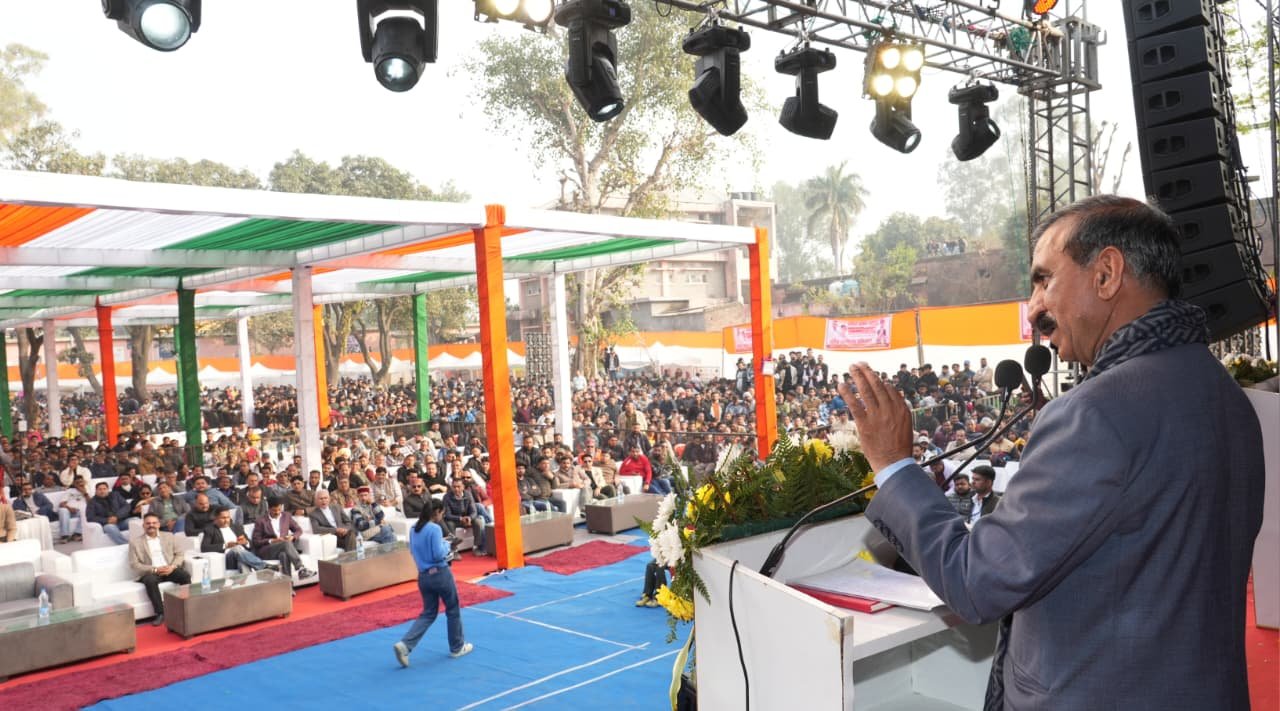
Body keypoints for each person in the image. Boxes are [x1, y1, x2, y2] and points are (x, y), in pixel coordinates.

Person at [839, 195, 1264, 709]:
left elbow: (977, 582)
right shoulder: (1225, 394)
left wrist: (894, 465)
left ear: (1106, 274)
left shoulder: (1096, 413)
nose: (1034, 307)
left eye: (1044, 280)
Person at [393, 499, 472, 667]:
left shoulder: (414, 528)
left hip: (423, 576)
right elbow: (437, 554)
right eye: (442, 513)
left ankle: (405, 644)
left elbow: (413, 551)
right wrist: (448, 546)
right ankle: (457, 647)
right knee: (452, 609)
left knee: (428, 613)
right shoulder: (435, 529)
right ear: (436, 512)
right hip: (440, 574)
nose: (442, 516)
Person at [128, 512, 191, 626]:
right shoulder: (135, 542)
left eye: (154, 523)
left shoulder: (169, 536)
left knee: (185, 576)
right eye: (148, 523)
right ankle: (160, 613)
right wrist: (155, 569)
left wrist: (172, 567)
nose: (151, 525)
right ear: (143, 525)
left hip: (169, 569)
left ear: (158, 524)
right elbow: (134, 564)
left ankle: (186, 607)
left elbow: (180, 554)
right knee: (150, 581)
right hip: (151, 572)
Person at [251, 496, 314, 581]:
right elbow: (256, 541)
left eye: (279, 509)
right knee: (285, 543)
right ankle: (300, 568)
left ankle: (287, 584)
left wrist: (292, 537)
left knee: (284, 555)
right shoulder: (261, 521)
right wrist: (273, 540)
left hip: (283, 548)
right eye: (274, 510)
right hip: (267, 550)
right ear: (269, 509)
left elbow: (298, 530)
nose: (277, 512)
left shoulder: (286, 516)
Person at [201, 507, 267, 573]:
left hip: (243, 557)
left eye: (228, 517)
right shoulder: (210, 530)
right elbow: (204, 548)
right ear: (216, 519)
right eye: (223, 518)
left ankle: (246, 579)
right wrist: (226, 545)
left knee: (241, 562)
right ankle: (264, 566)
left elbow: (251, 544)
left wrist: (246, 542)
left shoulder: (236, 528)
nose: (226, 520)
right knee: (236, 548)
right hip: (227, 559)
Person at [441, 479, 486, 557]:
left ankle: (477, 547)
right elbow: (447, 514)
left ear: (463, 487)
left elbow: (474, 511)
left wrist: (469, 518)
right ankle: (454, 550)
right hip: (455, 520)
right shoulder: (446, 497)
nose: (456, 489)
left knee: (478, 521)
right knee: (449, 523)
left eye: (458, 487)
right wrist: (460, 518)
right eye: (454, 487)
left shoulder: (468, 494)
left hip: (467, 519)